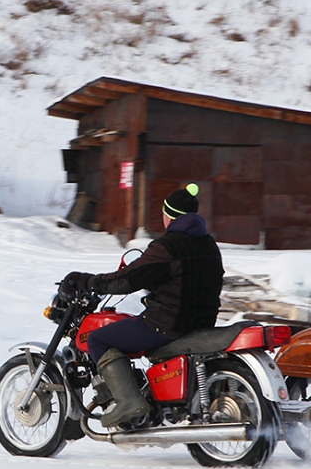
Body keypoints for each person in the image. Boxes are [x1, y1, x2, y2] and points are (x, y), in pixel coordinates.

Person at [62, 183, 225, 429]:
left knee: (98, 339)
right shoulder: (209, 245)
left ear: (168, 215)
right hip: (202, 323)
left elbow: (126, 280)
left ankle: (128, 401)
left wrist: (85, 281)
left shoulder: (167, 246)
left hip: (166, 325)